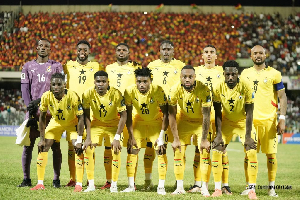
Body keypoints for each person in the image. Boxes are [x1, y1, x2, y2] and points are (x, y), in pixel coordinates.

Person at [240, 45, 287, 197]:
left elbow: (282, 97)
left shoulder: (275, 74)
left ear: (265, 55)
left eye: (261, 53)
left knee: (271, 155)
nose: (258, 55)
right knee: (249, 153)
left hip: (269, 121)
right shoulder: (245, 74)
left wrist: (282, 118)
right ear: (251, 55)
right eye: (255, 53)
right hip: (250, 122)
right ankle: (250, 186)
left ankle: (271, 187)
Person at [211, 60, 258, 200]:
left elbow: (250, 113)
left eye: (233, 74)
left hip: (243, 122)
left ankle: (251, 190)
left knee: (251, 150)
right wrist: (218, 134)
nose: (230, 77)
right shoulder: (218, 87)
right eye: (227, 74)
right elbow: (218, 113)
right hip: (226, 121)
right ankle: (218, 188)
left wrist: (248, 136)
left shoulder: (246, 87)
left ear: (238, 74)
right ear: (223, 74)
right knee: (216, 149)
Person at [19, 38, 63, 188]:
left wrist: (44, 103)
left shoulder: (57, 66)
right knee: (28, 146)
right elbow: (25, 89)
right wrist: (29, 107)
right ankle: (26, 179)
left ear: (50, 50)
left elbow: (60, 88)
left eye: (46, 46)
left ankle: (56, 180)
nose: (43, 48)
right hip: (33, 113)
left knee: (55, 146)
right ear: (36, 48)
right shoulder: (27, 66)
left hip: (51, 113)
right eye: (40, 46)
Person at [30, 73, 84, 190]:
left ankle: (79, 184)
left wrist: (79, 140)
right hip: (56, 122)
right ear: (50, 85)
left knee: (77, 148)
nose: (56, 87)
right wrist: (42, 139)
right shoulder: (46, 96)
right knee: (43, 147)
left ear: (64, 85)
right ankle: (40, 183)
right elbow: (42, 117)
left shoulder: (72, 96)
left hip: (72, 122)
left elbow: (81, 118)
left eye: (59, 84)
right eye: (53, 84)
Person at [122, 67, 168, 195]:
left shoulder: (158, 90)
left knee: (160, 150)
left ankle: (161, 186)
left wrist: (162, 135)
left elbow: (166, 114)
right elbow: (128, 115)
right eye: (139, 81)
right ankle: (131, 185)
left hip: (156, 122)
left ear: (150, 81)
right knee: (132, 150)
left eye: (145, 81)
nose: (141, 84)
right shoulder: (129, 91)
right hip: (140, 122)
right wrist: (131, 136)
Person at [146, 40, 185, 189]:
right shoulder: (151, 66)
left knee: (177, 147)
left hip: (176, 113)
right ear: (160, 51)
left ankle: (178, 181)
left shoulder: (180, 66)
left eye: (169, 49)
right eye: (164, 49)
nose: (166, 52)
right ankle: (149, 181)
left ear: (173, 51)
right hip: (157, 112)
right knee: (155, 147)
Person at [168, 65, 212, 196]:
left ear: (195, 77)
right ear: (180, 77)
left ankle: (204, 187)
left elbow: (206, 115)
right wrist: (176, 139)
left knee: (204, 151)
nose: (187, 79)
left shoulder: (204, 89)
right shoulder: (174, 90)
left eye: (190, 77)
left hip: (200, 123)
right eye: (184, 77)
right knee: (178, 151)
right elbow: (172, 115)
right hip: (185, 122)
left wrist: (204, 139)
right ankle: (179, 187)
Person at [80, 70, 127, 193]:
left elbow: (124, 115)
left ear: (108, 82)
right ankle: (91, 185)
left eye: (103, 81)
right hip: (97, 124)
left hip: (113, 125)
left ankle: (114, 185)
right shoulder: (87, 94)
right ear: (94, 82)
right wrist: (88, 136)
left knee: (116, 150)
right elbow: (86, 116)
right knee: (88, 148)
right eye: (98, 81)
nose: (100, 84)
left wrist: (117, 137)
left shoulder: (116, 93)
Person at [63, 40, 102, 187]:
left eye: (85, 49)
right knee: (71, 146)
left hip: (90, 110)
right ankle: (73, 178)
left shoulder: (96, 66)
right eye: (80, 49)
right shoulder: (68, 65)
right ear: (76, 50)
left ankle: (89, 178)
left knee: (89, 144)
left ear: (89, 51)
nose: (82, 51)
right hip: (72, 110)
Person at [189, 44, 225, 193]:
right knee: (199, 150)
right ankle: (198, 184)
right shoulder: (196, 71)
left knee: (221, 150)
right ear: (202, 56)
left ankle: (223, 185)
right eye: (206, 52)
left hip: (218, 115)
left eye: (212, 52)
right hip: (200, 116)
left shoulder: (223, 72)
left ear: (216, 56)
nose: (209, 55)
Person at [104, 43, 140, 189]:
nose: (121, 52)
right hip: (112, 112)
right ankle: (109, 181)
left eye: (124, 50)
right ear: (115, 52)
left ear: (129, 53)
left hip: (131, 111)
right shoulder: (108, 68)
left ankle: (132, 182)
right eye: (118, 50)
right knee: (110, 147)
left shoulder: (135, 68)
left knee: (132, 146)